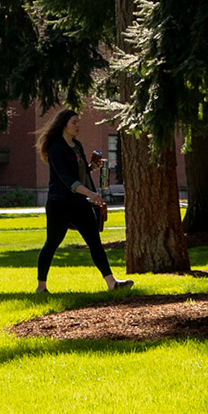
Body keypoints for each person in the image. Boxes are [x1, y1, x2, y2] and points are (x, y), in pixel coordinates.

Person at [35, 108, 133, 294]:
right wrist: (91, 194)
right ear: (63, 125)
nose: (78, 126)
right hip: (60, 203)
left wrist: (91, 167)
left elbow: (78, 173)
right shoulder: (56, 148)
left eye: (78, 122)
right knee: (52, 242)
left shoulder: (77, 145)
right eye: (74, 122)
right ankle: (41, 287)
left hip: (79, 203)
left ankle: (112, 283)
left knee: (94, 241)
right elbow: (66, 179)